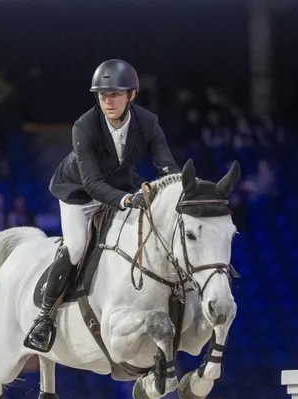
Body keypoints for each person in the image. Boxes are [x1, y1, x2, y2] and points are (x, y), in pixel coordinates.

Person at [23, 59, 181, 353]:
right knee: (77, 247)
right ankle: (43, 318)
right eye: (103, 95)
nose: (108, 101)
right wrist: (126, 200)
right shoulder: (84, 126)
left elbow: (167, 168)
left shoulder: (147, 122)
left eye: (115, 94)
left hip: (121, 184)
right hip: (79, 194)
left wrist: (180, 188)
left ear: (131, 95)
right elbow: (93, 183)